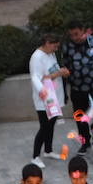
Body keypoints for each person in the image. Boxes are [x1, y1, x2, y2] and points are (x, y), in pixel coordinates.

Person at [64, 21, 93, 161]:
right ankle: (85, 143)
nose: (74, 37)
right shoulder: (68, 47)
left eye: (76, 34)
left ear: (83, 31)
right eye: (71, 35)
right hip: (77, 90)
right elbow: (65, 65)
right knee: (80, 119)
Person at [28, 35, 68, 169]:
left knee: (51, 125)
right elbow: (36, 77)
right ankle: (35, 156)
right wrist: (57, 74)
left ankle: (48, 150)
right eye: (54, 46)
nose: (56, 49)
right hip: (44, 99)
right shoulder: (37, 57)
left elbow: (51, 73)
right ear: (46, 43)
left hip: (53, 97)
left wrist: (61, 72)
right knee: (44, 127)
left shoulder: (50, 54)